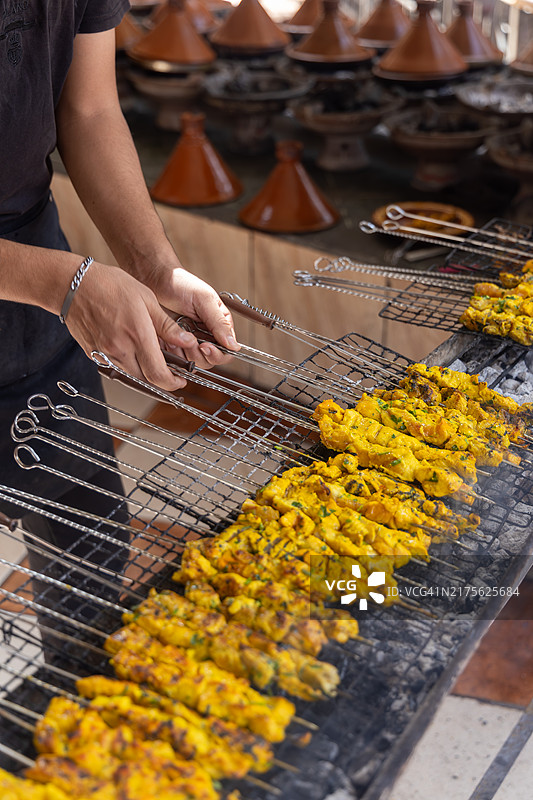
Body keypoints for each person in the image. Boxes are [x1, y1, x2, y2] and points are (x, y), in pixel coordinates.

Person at [0, 0, 239, 639]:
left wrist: (155, 265)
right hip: (46, 280)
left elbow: (90, 107)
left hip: (31, 273)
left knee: (88, 557)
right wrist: (66, 283)